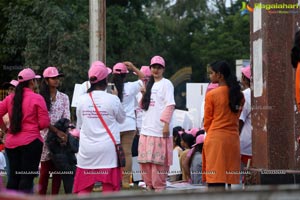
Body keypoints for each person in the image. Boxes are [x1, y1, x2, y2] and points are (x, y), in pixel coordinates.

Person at [73, 61, 126, 194]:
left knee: (84, 187)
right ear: (106, 80)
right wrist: (116, 98)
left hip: (87, 150)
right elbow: (121, 119)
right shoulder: (113, 99)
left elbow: (79, 126)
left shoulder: (81, 100)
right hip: (108, 150)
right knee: (109, 187)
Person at [0, 68, 50, 193]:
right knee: (27, 179)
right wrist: (32, 127)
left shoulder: (10, 98)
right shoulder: (37, 98)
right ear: (32, 82)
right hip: (31, 143)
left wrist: (5, 129)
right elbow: (44, 123)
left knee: (13, 179)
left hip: (11, 143)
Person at [202, 61, 244, 189]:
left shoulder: (212, 95)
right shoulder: (239, 95)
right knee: (229, 178)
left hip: (216, 140)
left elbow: (207, 122)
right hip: (233, 140)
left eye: (211, 73)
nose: (210, 76)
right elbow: (237, 116)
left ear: (219, 75)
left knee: (215, 181)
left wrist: (212, 133)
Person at [138, 55, 175, 192]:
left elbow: (170, 105)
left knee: (158, 165)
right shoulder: (148, 84)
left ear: (163, 69)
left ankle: (159, 190)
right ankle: (149, 188)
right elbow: (143, 106)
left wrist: (166, 124)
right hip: (146, 130)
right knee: (145, 164)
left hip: (159, 131)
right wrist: (143, 94)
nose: (156, 70)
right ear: (150, 68)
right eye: (154, 67)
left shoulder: (166, 84)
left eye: (159, 67)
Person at [111, 62, 144, 188]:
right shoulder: (131, 86)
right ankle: (125, 181)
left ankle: (115, 179)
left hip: (115, 125)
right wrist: (134, 67)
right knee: (127, 153)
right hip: (129, 124)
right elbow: (144, 78)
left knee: (113, 154)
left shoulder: (109, 88)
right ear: (125, 75)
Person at [38, 66, 71, 194]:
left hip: (59, 137)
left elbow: (67, 117)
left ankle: (55, 197)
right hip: (44, 137)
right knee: (45, 171)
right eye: (53, 78)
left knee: (58, 171)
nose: (56, 80)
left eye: (58, 78)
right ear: (46, 80)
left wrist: (64, 134)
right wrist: (55, 131)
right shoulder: (39, 97)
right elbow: (41, 120)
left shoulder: (64, 97)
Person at [239, 66, 252, 182]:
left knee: (242, 178)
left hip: (244, 144)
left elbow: (240, 119)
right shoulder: (261, 92)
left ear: (245, 78)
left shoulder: (245, 95)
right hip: (256, 144)